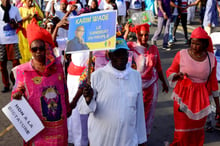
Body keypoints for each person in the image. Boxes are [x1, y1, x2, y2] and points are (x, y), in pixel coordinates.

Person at [78, 38, 147, 146]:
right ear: (109, 56)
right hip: (102, 139)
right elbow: (83, 109)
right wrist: (88, 99)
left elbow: (139, 110)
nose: (121, 57)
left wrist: (141, 139)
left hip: (127, 139)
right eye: (117, 53)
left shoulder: (135, 76)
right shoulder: (97, 76)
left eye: (123, 53)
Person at [11, 19, 71, 145]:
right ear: (30, 50)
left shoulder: (58, 67)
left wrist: (68, 106)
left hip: (58, 127)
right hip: (37, 128)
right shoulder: (23, 71)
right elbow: (16, 91)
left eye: (41, 48)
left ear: (47, 48)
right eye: (34, 49)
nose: (38, 51)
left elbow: (64, 90)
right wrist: (17, 95)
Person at [166, 27, 220, 146]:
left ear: (205, 44)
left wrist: (218, 106)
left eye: (197, 44)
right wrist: (177, 75)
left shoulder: (211, 58)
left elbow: (213, 82)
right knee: (182, 134)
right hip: (182, 101)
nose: (194, 46)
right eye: (192, 43)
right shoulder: (181, 54)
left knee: (196, 134)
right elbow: (170, 71)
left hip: (201, 101)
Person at [125, 23, 169, 137]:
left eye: (146, 35)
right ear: (136, 34)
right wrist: (126, 32)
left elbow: (158, 67)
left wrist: (164, 82)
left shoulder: (154, 49)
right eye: (141, 35)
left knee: (147, 115)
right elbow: (119, 47)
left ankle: (143, 138)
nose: (144, 38)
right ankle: (132, 138)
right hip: (134, 88)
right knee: (133, 115)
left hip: (151, 87)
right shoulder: (131, 47)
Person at [0, 0, 22, 92]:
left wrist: (16, 25)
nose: (5, 0)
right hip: (1, 41)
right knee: (2, 65)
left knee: (16, 64)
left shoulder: (15, 9)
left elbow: (20, 22)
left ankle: (15, 82)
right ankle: (6, 85)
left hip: (13, 41)